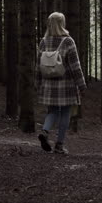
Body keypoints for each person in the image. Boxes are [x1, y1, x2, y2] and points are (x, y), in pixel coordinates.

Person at [36, 12, 87, 154]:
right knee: (65, 113)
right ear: (62, 23)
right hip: (66, 85)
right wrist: (82, 85)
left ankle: (45, 132)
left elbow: (38, 66)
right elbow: (75, 66)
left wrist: (38, 83)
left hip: (48, 85)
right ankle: (59, 145)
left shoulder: (43, 42)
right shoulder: (68, 41)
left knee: (52, 111)